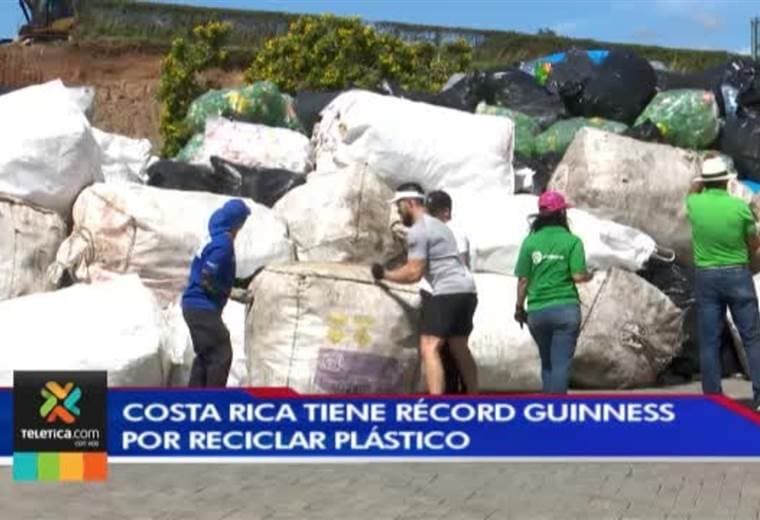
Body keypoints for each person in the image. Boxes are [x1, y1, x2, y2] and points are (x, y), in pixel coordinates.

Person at [372, 183, 479, 395]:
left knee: (429, 345)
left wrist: (384, 274)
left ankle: (435, 404)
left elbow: (414, 273)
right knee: (458, 345)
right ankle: (474, 397)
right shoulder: (439, 226)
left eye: (400, 206)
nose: (398, 211)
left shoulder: (419, 230)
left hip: (447, 292)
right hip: (467, 291)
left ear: (410, 202)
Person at [686, 154, 760, 407]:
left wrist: (698, 182)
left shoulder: (694, 204)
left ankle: (712, 397)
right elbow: (754, 243)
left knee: (709, 341)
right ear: (726, 181)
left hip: (706, 277)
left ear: (704, 182)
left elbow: (691, 192)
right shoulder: (739, 207)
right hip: (737, 274)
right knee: (752, 338)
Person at [514, 191, 592, 394]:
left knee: (547, 363)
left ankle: (548, 406)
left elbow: (523, 280)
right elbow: (578, 276)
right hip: (566, 310)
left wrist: (519, 308)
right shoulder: (572, 241)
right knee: (560, 364)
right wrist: (589, 275)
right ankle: (557, 408)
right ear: (562, 213)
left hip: (537, 312)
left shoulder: (530, 242)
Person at [182, 199, 251, 388]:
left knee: (206, 356)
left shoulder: (214, 237)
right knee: (221, 354)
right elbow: (208, 277)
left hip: (192, 306)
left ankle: (194, 400)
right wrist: (229, 292)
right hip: (202, 307)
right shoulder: (223, 244)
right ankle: (214, 401)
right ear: (237, 222)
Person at [424, 190, 472, 394]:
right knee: (449, 349)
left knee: (442, 347)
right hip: (444, 293)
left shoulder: (453, 233)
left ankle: (456, 394)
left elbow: (458, 265)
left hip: (448, 294)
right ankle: (456, 392)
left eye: (433, 212)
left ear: (446, 212)